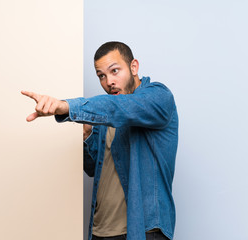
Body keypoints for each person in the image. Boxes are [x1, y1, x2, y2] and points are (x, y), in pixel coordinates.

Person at [21, 41, 178, 240]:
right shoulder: (105, 118)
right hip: (101, 230)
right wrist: (87, 135)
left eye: (114, 71)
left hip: (141, 230)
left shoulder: (158, 97)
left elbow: (122, 108)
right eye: (101, 76)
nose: (108, 81)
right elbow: (94, 169)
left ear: (134, 67)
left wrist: (67, 107)